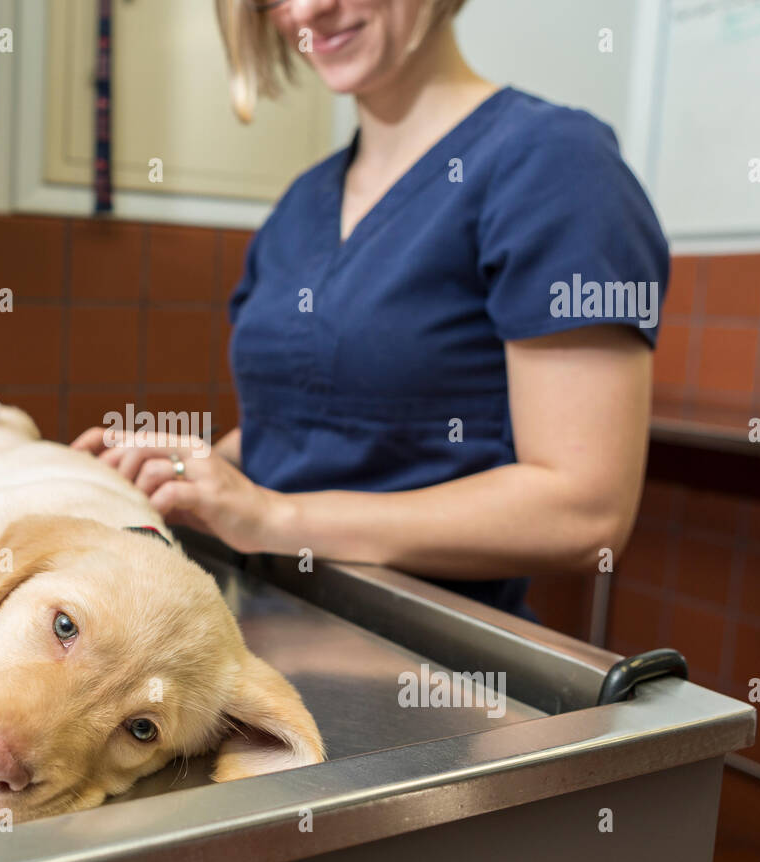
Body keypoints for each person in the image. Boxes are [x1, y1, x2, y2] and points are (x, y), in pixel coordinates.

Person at [73, 0, 669, 620]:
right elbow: (299, 428)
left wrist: (275, 517)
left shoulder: (557, 165)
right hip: (263, 619)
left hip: (432, 659)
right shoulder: (300, 205)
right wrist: (171, 472)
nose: (309, 9)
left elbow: (584, 511)